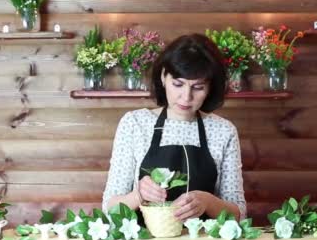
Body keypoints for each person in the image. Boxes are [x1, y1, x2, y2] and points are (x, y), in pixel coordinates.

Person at [102, 34, 246, 221]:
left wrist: (207, 202)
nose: (186, 97)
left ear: (210, 88)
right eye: (178, 84)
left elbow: (239, 214)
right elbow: (109, 209)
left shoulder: (223, 131)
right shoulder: (135, 124)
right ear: (163, 77)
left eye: (198, 87)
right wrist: (138, 195)